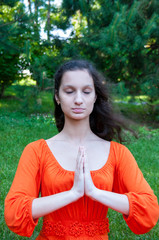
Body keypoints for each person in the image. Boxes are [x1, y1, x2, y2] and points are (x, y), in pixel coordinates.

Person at [4, 59, 159, 240]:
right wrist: (73, 193)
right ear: (57, 96)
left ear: (94, 97)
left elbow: (149, 210)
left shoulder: (118, 153)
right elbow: (14, 212)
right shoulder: (36, 151)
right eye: (69, 91)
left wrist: (95, 192)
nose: (78, 100)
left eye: (86, 92)